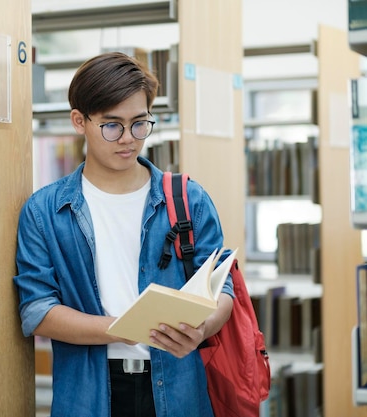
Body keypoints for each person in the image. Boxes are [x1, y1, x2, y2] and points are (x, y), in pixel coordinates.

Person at [14, 52, 235, 417]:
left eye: (139, 124)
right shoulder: (44, 212)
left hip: (179, 391)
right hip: (89, 394)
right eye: (112, 125)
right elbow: (37, 310)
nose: (128, 139)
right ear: (79, 121)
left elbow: (221, 288)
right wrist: (123, 329)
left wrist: (202, 329)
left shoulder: (187, 198)